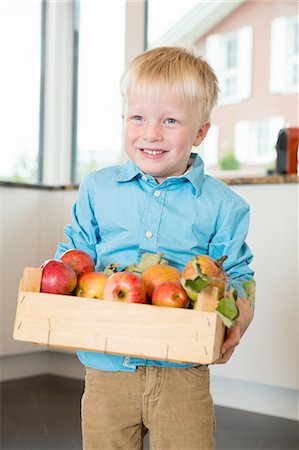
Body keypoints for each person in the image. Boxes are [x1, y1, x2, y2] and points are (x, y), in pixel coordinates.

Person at [55, 46, 254, 450]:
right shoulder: (97, 189)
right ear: (123, 120)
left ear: (200, 132)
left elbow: (238, 275)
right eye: (138, 117)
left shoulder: (225, 206)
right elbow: (74, 256)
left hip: (182, 367)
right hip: (107, 365)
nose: (151, 133)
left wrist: (241, 315)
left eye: (171, 121)